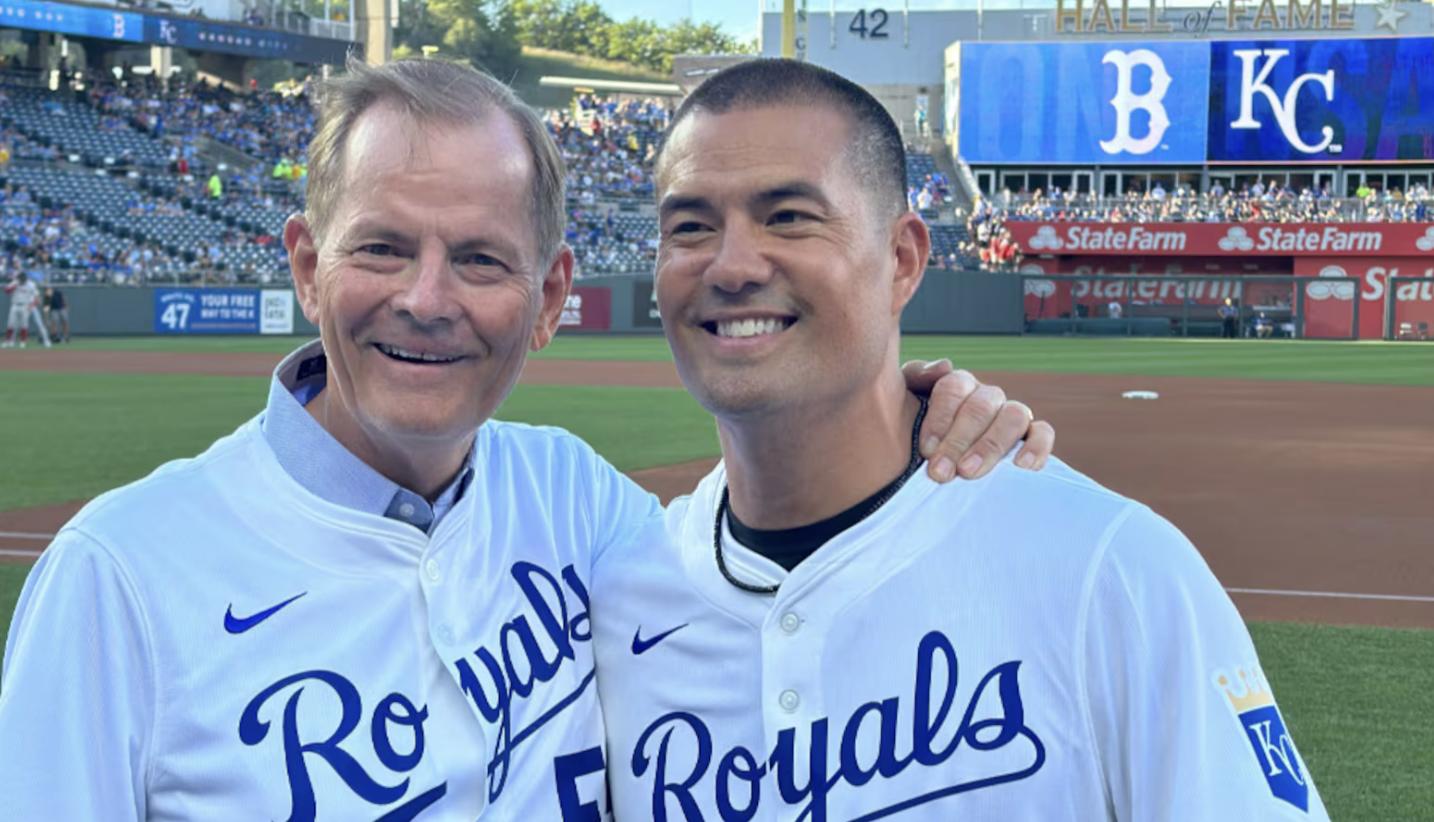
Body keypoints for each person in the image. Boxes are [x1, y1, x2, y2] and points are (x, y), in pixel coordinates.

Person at [0, 58, 1051, 819]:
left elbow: (775, 585)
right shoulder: (120, 576)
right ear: (308, 267)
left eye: (480, 261)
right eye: (382, 248)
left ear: (550, 299)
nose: (425, 299)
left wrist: (918, 414)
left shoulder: (578, 502)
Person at [591, 59, 1328, 820]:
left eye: (788, 217)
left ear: (903, 259)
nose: (732, 264)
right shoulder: (617, 599)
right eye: (689, 227)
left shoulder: (1109, 566)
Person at [2, 271, 45, 348]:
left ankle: (23, 341)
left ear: (26, 279)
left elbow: (37, 296)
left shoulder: (31, 284)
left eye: (23, 279)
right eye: (20, 279)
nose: (21, 281)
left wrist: (32, 305)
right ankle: (7, 341)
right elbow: (6, 291)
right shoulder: (15, 282)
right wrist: (14, 286)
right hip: (15, 305)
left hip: (25, 305)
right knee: (10, 324)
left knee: (24, 325)